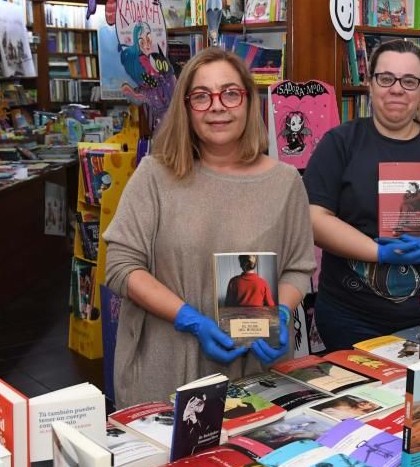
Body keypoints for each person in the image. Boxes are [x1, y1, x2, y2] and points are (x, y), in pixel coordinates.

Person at [104, 48, 316, 408]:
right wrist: (189, 320)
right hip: (167, 366)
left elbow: (298, 269)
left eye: (230, 93)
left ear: (249, 102)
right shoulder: (154, 176)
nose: (218, 106)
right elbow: (120, 267)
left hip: (256, 368)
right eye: (202, 96)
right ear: (186, 108)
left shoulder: (285, 182)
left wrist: (281, 310)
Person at [304, 40, 420, 351]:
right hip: (352, 317)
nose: (397, 89)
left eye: (409, 81)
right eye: (386, 78)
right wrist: (376, 252)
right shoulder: (339, 143)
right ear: (369, 84)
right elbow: (314, 218)